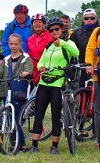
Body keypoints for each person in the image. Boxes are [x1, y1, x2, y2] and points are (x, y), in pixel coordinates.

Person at [28, 17, 79, 154]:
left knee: (56, 114)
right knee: (39, 114)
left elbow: (76, 53)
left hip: (58, 83)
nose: (54, 32)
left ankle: (54, 146)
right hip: (44, 82)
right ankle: (34, 145)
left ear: (62, 29)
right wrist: (41, 67)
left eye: (57, 29)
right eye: (51, 30)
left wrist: (62, 43)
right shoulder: (48, 46)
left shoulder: (68, 43)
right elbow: (41, 61)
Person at [0, 33, 34, 152]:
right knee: (8, 115)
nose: (13, 46)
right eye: (11, 44)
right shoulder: (6, 59)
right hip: (6, 90)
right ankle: (14, 141)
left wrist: (26, 73)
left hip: (19, 90)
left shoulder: (25, 58)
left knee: (16, 117)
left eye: (16, 44)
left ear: (20, 44)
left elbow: (29, 69)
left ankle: (21, 144)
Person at [26, 13, 52, 85]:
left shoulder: (50, 37)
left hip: (46, 70)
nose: (37, 24)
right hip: (34, 71)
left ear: (44, 24)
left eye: (40, 22)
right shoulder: (30, 39)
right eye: (35, 22)